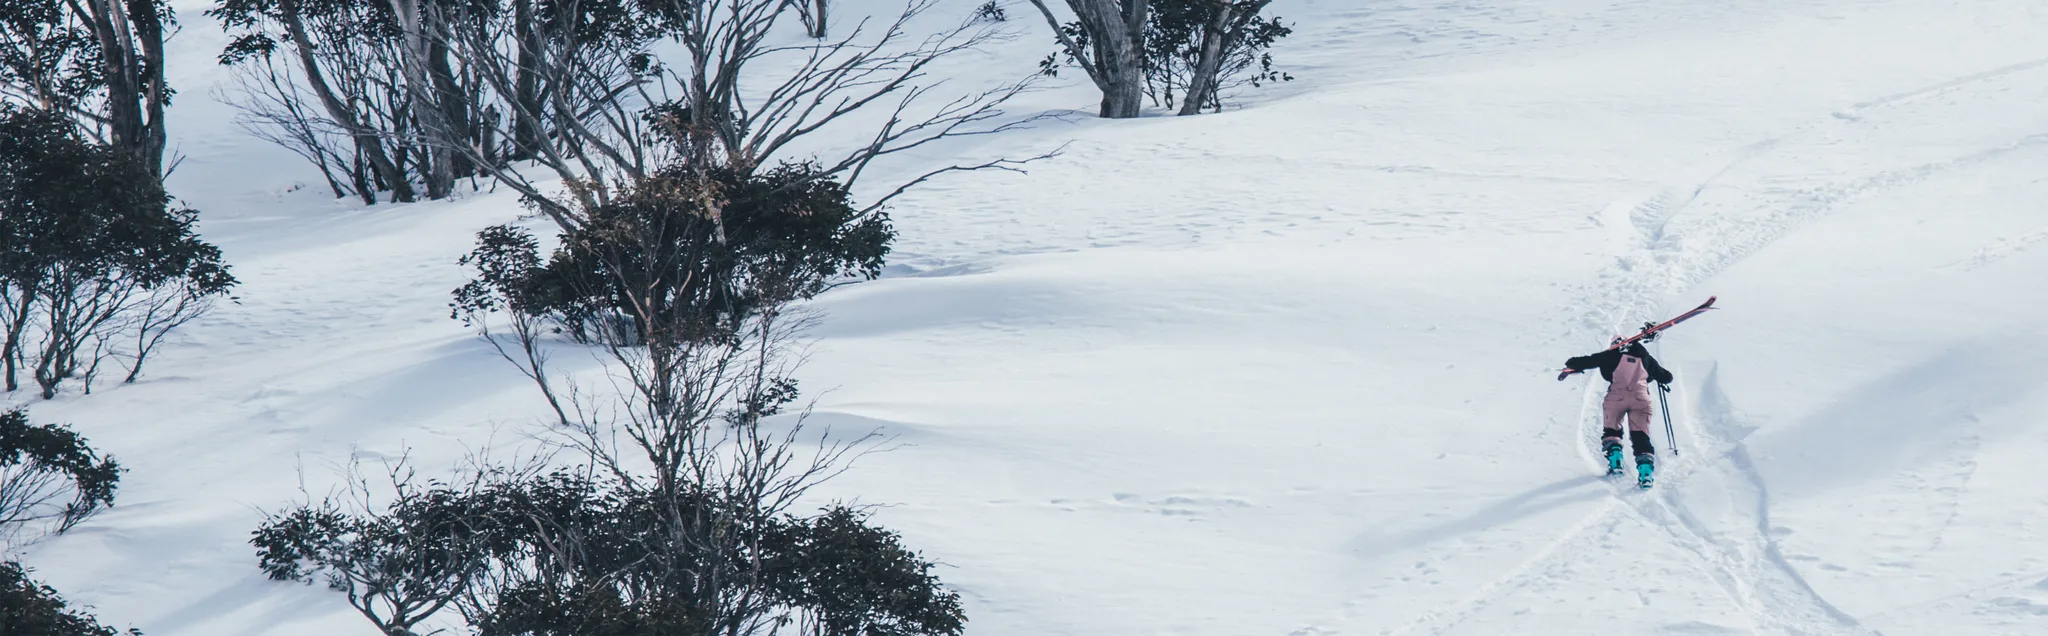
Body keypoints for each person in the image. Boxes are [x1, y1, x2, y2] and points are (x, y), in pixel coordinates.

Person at [1562, 341, 1673, 481]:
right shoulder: (1646, 358)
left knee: (1612, 431)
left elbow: (1586, 361)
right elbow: (1666, 377)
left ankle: (1616, 461)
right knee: (1640, 436)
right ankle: (1645, 472)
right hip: (1641, 399)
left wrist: (1571, 363)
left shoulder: (1611, 354)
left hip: (1616, 397)